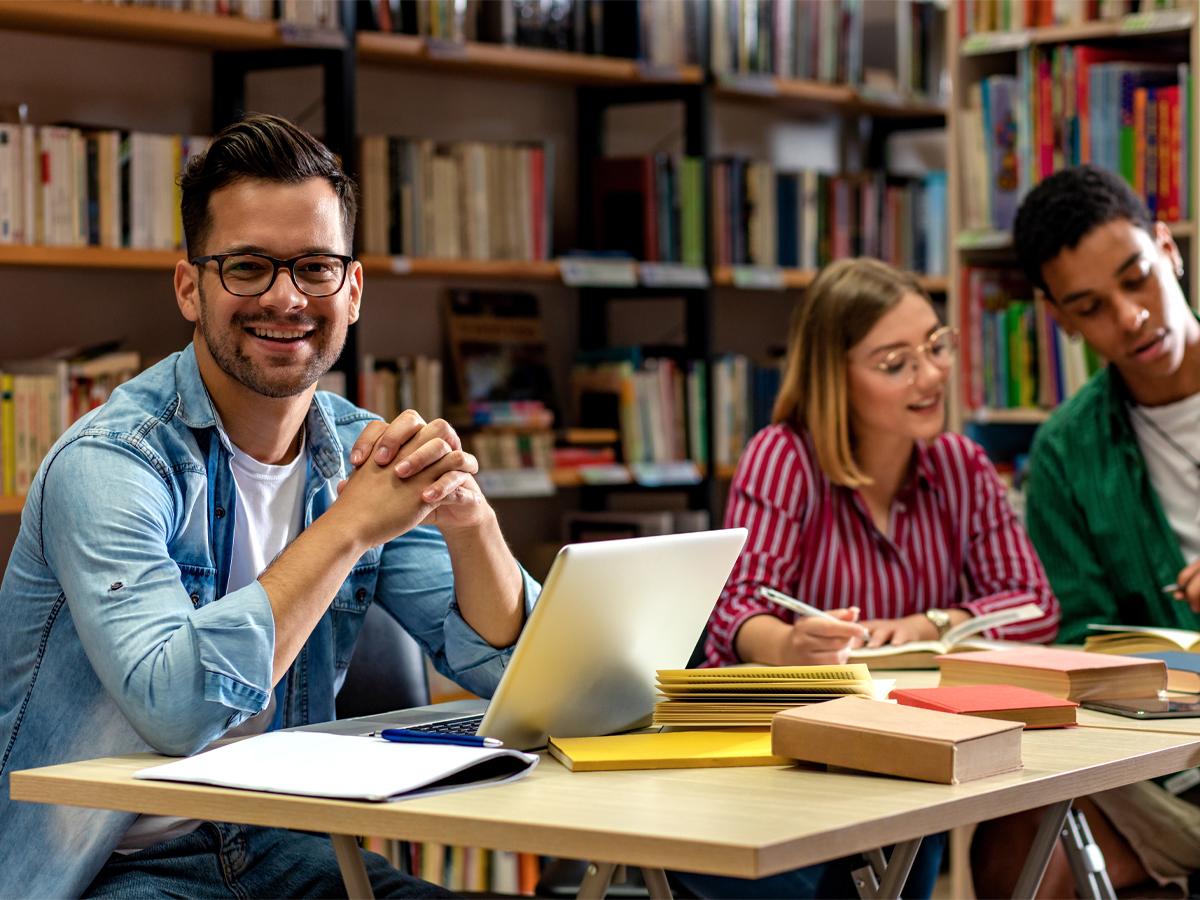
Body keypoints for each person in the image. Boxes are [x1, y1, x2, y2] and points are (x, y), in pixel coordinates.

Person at [0, 113, 539, 899]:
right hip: (113, 870)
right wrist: (351, 526)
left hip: (289, 847)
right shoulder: (111, 463)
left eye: (316, 267)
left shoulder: (361, 450)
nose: (286, 298)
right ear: (191, 288)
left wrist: (470, 521)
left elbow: (509, 670)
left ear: (351, 291)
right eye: (248, 266)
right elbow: (178, 707)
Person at [673, 257, 1059, 899]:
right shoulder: (784, 457)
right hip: (787, 762)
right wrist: (792, 646)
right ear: (836, 378)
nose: (931, 374)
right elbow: (736, 610)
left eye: (936, 346)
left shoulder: (961, 465)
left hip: (910, 752)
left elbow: (1035, 608)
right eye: (895, 363)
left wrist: (933, 623)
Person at [971, 165, 1200, 898]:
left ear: (1168, 249)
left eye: (1137, 278)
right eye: (1090, 307)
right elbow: (1081, 645)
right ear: (1059, 319)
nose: (1130, 317)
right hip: (1162, 756)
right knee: (1016, 850)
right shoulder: (1069, 452)